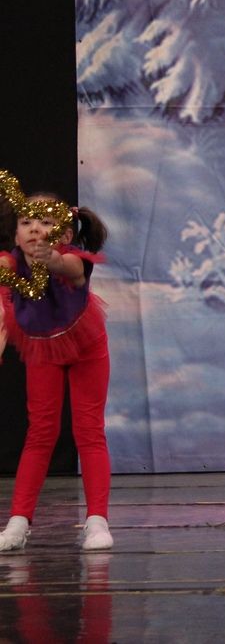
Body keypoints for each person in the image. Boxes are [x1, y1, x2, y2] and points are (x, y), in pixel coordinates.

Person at [0, 193, 113, 551]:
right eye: (27, 223)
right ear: (16, 233)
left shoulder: (72, 258)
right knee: (40, 431)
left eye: (45, 222)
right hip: (43, 347)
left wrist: (51, 259)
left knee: (88, 430)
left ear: (64, 234)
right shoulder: (10, 263)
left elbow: (71, 269)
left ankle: (97, 521)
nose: (35, 229)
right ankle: (18, 521)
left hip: (86, 347)